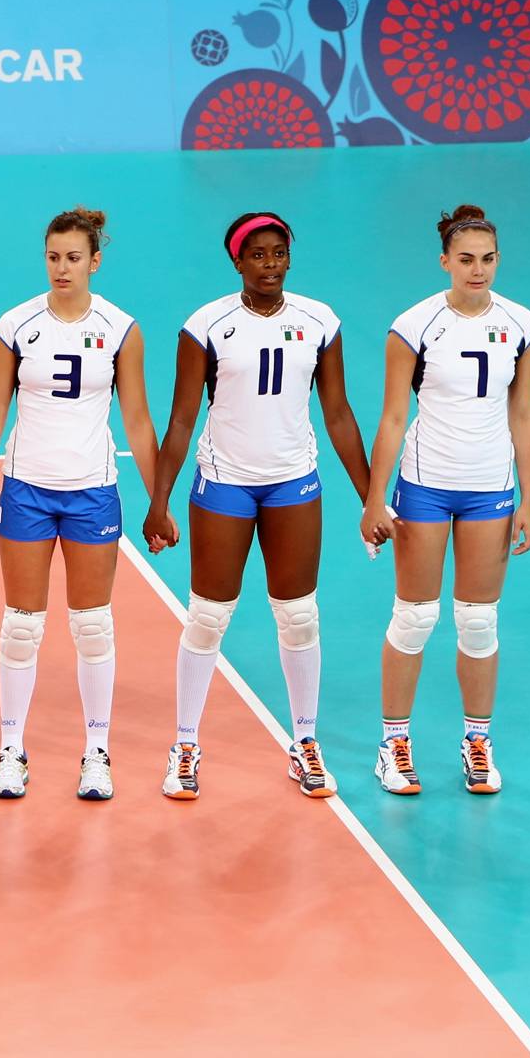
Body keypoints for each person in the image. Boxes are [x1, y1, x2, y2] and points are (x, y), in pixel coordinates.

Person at [144, 212, 371, 801]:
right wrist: (159, 502)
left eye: (279, 253)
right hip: (225, 483)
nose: (270, 264)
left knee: (299, 615)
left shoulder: (319, 322)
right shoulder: (206, 326)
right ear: (238, 262)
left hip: (293, 482)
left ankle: (305, 743)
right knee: (208, 616)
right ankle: (185, 745)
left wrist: (371, 496)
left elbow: (338, 413)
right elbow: (181, 419)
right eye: (258, 255)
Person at [0, 206, 160, 801]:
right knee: (21, 625)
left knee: (92, 624)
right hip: (26, 490)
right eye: (53, 257)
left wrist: (159, 501)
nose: (62, 268)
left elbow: (137, 419)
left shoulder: (121, 329)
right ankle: (11, 750)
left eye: (74, 258)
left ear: (95, 261)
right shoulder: (15, 326)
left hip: (92, 492)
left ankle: (96, 753)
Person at [360, 203, 530, 797]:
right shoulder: (414, 326)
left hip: (491, 489)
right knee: (415, 617)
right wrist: (374, 499)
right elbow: (392, 417)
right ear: (445, 262)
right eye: (465, 259)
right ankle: (393, 743)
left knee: (479, 621)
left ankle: (477, 741)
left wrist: (528, 499)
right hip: (426, 486)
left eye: (487, 259)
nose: (477, 270)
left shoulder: (521, 324)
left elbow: (523, 413)